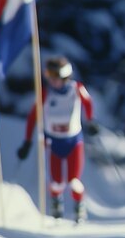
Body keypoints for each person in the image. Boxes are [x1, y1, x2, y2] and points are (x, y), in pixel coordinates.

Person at [16, 56, 98, 223]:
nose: (52, 82)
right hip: (53, 142)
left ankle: (79, 207)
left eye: (56, 78)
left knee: (74, 181)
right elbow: (33, 117)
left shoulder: (76, 88)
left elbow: (88, 103)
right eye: (49, 77)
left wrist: (91, 121)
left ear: (64, 77)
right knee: (56, 182)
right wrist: (27, 141)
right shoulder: (45, 94)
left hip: (73, 141)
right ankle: (56, 208)